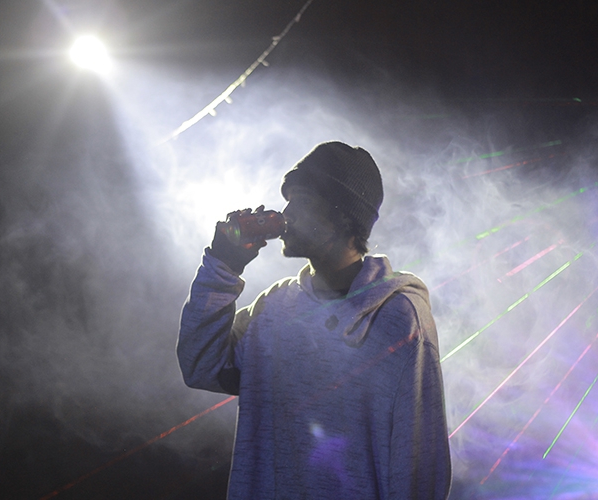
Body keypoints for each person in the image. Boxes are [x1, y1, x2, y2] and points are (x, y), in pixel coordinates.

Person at [177, 141, 451, 499]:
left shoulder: (397, 318)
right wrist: (222, 266)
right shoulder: (275, 307)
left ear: (344, 217)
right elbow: (200, 365)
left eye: (302, 200)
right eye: (288, 200)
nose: (286, 213)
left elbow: (419, 467)